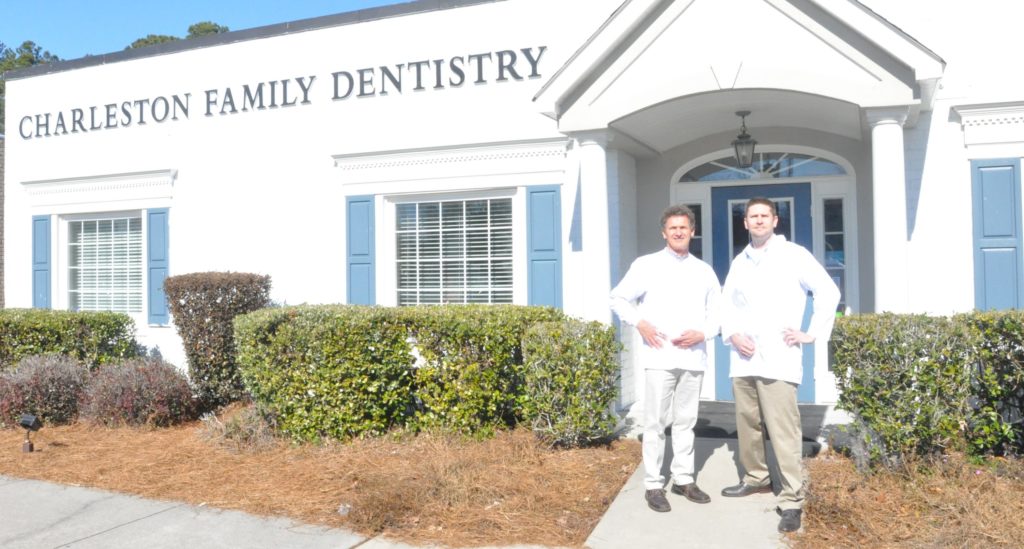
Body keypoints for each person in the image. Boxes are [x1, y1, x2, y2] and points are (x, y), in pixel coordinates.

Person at [719, 197, 841, 533]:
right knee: (748, 423)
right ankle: (756, 477)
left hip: (778, 356)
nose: (758, 221)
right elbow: (726, 303)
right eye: (752, 216)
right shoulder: (739, 261)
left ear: (775, 220)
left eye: (764, 216)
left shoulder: (794, 255)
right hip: (743, 357)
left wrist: (812, 333)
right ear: (745, 223)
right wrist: (731, 334)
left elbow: (828, 291)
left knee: (783, 429)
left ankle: (791, 499)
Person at [610, 204, 721, 513]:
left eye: (683, 227)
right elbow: (618, 298)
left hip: (693, 358)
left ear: (692, 231)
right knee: (656, 423)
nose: (678, 232)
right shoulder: (646, 265)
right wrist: (640, 322)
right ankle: (654, 485)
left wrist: (704, 333)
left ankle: (684, 479)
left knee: (686, 421)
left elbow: (718, 313)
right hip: (659, 356)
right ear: (664, 232)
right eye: (673, 228)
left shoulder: (704, 271)